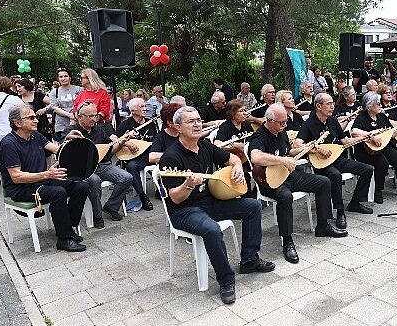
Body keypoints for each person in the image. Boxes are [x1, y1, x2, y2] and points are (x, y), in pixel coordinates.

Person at [160, 106, 274, 304]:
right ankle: (226, 280)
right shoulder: (170, 157)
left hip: (210, 201)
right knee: (212, 229)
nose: (197, 124)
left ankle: (249, 260)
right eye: (191, 121)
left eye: (198, 120)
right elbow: (175, 198)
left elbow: (233, 158)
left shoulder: (205, 146)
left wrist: (237, 167)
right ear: (178, 128)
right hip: (185, 210)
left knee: (253, 207)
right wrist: (187, 185)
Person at [248, 104, 347, 264]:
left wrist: (308, 149)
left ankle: (323, 225)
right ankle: (287, 241)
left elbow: (288, 152)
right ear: (269, 120)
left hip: (287, 175)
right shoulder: (259, 137)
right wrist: (282, 160)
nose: (284, 125)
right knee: (285, 197)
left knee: (323, 182)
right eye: (281, 123)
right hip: (270, 182)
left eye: (285, 121)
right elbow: (256, 158)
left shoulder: (281, 132)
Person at [0, 104, 89, 252]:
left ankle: (68, 228)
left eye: (36, 117)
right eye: (31, 118)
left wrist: (68, 139)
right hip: (21, 188)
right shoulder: (9, 144)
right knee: (58, 192)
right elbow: (17, 177)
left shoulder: (35, 136)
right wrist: (47, 174)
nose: (36, 120)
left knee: (81, 186)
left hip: (41, 181)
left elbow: (58, 149)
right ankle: (64, 239)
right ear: (17, 123)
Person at [295, 93, 374, 229]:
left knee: (368, 169)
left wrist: (364, 138)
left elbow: (344, 141)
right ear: (318, 106)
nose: (333, 107)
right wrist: (317, 148)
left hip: (337, 158)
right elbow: (296, 144)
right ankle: (340, 211)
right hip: (322, 163)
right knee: (335, 175)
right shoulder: (308, 124)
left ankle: (355, 202)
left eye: (333, 103)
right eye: (329, 104)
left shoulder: (332, 121)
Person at [65, 103, 134, 229]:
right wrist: (67, 139)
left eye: (95, 115)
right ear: (79, 117)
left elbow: (111, 150)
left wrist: (122, 141)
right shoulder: (71, 131)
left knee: (127, 177)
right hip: (83, 169)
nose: (94, 119)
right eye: (90, 116)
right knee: (95, 181)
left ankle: (111, 207)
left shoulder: (99, 130)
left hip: (103, 165)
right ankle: (97, 215)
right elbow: (61, 148)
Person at [351, 92, 397, 203]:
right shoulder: (361, 118)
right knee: (383, 163)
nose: (380, 105)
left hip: (383, 146)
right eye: (377, 103)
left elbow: (391, 133)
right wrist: (371, 136)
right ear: (369, 106)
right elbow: (354, 131)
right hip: (366, 150)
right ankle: (378, 190)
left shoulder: (381, 116)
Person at [115, 98, 159, 211]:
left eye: (145, 106)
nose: (145, 109)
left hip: (149, 155)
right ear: (133, 111)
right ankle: (143, 197)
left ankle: (161, 188)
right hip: (134, 156)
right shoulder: (126, 124)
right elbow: (114, 138)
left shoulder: (151, 123)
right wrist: (127, 143)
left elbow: (156, 140)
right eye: (141, 107)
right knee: (131, 166)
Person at [0, 77, 24, 184]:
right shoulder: (15, 100)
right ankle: (18, 175)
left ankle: (0, 178)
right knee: (16, 156)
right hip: (13, 134)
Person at [49, 68, 82, 142]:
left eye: (65, 76)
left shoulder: (79, 89)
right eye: (61, 77)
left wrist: (74, 115)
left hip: (78, 123)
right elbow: (55, 108)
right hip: (61, 125)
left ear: (70, 77)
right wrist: (69, 115)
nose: (63, 79)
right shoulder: (54, 92)